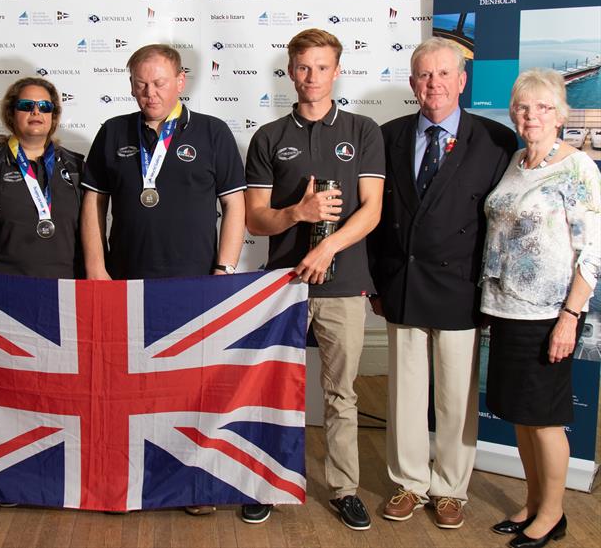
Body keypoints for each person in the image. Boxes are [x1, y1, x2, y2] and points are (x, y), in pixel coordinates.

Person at [80, 43, 246, 514]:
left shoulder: (212, 132)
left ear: (180, 81)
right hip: (125, 282)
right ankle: (127, 477)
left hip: (195, 285)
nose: (148, 93)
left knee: (188, 387)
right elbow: (94, 203)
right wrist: (96, 266)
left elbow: (235, 206)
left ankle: (191, 483)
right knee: (124, 387)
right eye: (139, 83)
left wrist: (224, 270)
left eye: (158, 82)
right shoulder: (113, 132)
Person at [368, 37, 517, 529]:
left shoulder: (496, 141)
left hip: (463, 285)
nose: (433, 84)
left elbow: (504, 224)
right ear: (413, 83)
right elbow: (375, 215)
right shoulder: (386, 136)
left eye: (442, 74)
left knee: (456, 395)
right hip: (403, 280)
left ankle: (451, 488)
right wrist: (375, 282)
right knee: (406, 392)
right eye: (424, 75)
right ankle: (409, 482)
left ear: (461, 80)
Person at [244, 28, 384, 528]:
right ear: (290, 72)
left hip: (343, 285)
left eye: (322, 67)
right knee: (272, 387)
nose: (313, 77)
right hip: (282, 286)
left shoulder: (363, 131)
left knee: (341, 394)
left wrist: (326, 245)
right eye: (304, 67)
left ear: (337, 70)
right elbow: (254, 219)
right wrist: (298, 213)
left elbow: (372, 211)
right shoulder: (268, 137)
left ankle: (344, 487)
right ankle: (264, 480)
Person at [480, 68, 599, 548]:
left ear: (561, 114)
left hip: (551, 314)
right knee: (523, 415)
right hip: (506, 309)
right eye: (524, 107)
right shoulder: (515, 161)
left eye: (543, 107)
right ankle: (533, 503)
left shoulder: (577, 168)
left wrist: (570, 317)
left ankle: (553, 515)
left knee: (546, 418)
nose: (532, 116)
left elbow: (593, 252)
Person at [0, 77, 84, 278]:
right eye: (26, 105)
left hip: (67, 290)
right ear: (11, 114)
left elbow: (93, 235)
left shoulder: (76, 168)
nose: (36, 112)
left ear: (53, 116)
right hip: (5, 290)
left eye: (45, 106)